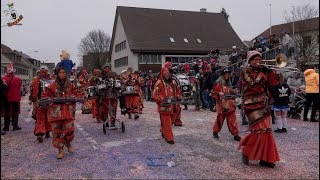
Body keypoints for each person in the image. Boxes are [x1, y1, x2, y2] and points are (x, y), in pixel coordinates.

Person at [238, 50, 280, 168]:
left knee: (266, 130)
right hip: (251, 104)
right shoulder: (245, 70)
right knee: (258, 130)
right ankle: (246, 151)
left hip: (264, 103)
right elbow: (253, 85)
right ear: (250, 61)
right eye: (255, 60)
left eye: (259, 59)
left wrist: (271, 72)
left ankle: (266, 158)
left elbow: (274, 84)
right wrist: (262, 74)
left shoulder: (263, 70)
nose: (258, 62)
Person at [42, 67, 78, 159]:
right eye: (60, 73)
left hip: (68, 111)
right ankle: (60, 150)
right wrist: (50, 101)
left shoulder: (71, 85)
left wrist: (74, 97)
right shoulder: (52, 85)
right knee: (57, 132)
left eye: (63, 72)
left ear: (66, 74)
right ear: (57, 74)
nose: (62, 74)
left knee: (70, 129)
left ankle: (68, 143)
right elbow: (45, 96)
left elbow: (76, 94)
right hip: (56, 112)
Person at [152, 67, 183, 144]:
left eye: (167, 71)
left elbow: (178, 91)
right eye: (165, 71)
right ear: (162, 73)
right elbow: (155, 94)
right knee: (167, 122)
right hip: (164, 105)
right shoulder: (159, 82)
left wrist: (179, 96)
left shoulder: (173, 81)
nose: (166, 72)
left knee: (172, 120)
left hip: (173, 104)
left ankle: (163, 130)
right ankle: (169, 137)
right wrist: (162, 100)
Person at [211, 69, 241, 141]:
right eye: (226, 74)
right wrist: (218, 93)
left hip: (230, 106)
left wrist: (235, 93)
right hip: (222, 106)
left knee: (233, 120)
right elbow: (213, 92)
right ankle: (215, 132)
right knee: (220, 120)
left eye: (228, 73)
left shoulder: (229, 83)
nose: (227, 75)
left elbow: (232, 93)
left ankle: (235, 134)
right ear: (223, 75)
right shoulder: (218, 83)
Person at [29, 66, 52, 142]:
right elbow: (34, 92)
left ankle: (41, 133)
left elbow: (34, 92)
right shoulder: (48, 80)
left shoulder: (36, 80)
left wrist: (34, 100)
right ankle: (43, 132)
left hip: (42, 102)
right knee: (45, 118)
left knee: (42, 118)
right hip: (45, 102)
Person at [2, 63, 22, 131]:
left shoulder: (3, 78)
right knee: (15, 112)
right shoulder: (18, 79)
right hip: (15, 98)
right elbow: (19, 87)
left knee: (6, 113)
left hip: (6, 98)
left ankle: (6, 126)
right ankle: (15, 126)